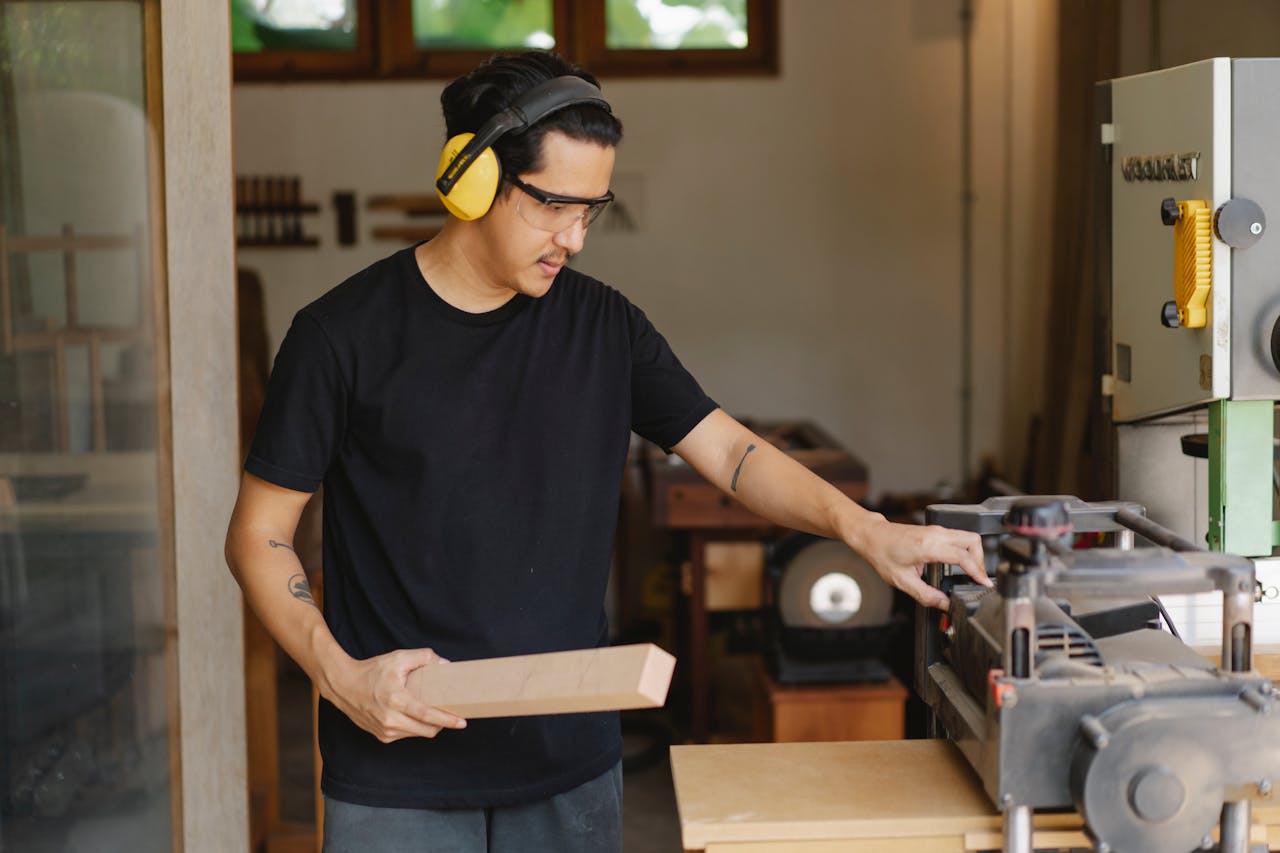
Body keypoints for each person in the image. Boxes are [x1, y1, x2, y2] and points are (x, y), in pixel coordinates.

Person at [224, 50, 989, 853]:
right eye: (554, 205)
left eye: (593, 211)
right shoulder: (339, 337)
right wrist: (339, 674)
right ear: (473, 179)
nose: (575, 239)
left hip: (569, 767)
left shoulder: (606, 327)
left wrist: (866, 530)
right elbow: (259, 535)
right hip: (396, 768)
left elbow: (730, 452)